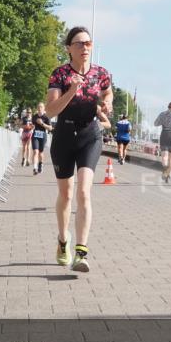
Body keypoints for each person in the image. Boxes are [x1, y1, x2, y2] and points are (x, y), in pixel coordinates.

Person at [44, 27, 112, 273]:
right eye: (80, 43)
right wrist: (71, 90)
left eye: (88, 43)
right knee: (67, 194)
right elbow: (50, 111)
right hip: (64, 135)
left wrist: (107, 102)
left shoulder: (101, 73)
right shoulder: (60, 74)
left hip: (89, 135)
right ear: (69, 48)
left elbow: (107, 91)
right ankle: (63, 241)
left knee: (84, 191)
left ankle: (81, 252)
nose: (85, 48)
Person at [31, 102, 51, 174]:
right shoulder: (34, 116)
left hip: (43, 136)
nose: (40, 108)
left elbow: (50, 128)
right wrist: (31, 126)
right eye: (38, 107)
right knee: (35, 151)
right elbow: (32, 125)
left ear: (44, 108)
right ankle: (35, 168)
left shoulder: (46, 117)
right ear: (37, 108)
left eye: (41, 107)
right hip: (35, 135)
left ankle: (40, 164)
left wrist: (42, 123)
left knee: (40, 152)